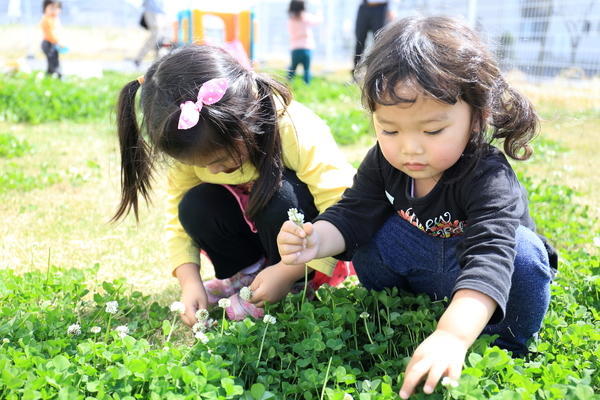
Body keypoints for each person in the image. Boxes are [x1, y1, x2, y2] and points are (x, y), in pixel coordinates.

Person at [278, 16, 557, 398]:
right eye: (389, 129)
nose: (409, 147)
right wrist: (316, 239)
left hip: (488, 277)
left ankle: (508, 345)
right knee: (371, 230)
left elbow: (491, 255)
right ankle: (401, 306)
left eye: (432, 130)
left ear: (477, 119)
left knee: (524, 254)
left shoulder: (487, 174)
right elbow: (353, 213)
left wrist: (452, 335)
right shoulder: (384, 162)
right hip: (424, 265)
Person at [113, 45, 356, 324]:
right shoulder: (189, 140)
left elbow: (340, 204)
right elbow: (177, 221)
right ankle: (246, 277)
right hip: (256, 236)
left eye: (219, 159)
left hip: (308, 247)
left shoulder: (292, 127)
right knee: (194, 205)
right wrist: (189, 282)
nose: (213, 170)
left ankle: (298, 285)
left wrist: (287, 272)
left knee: (281, 196)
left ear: (245, 120)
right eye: (202, 165)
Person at [352, 0, 395, 75]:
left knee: (379, 42)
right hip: (364, 7)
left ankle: (378, 72)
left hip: (380, 9)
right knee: (359, 40)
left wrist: (392, 9)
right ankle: (356, 73)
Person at [287, 0, 321, 84]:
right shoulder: (306, 17)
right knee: (307, 69)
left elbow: (290, 31)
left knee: (292, 68)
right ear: (303, 7)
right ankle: (306, 84)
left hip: (295, 48)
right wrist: (319, 11)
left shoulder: (291, 19)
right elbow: (318, 20)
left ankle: (287, 83)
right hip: (307, 48)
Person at [133, 0, 166, 68]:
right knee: (155, 36)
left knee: (160, 38)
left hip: (159, 12)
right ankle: (139, 58)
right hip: (151, 11)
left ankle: (157, 61)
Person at [40, 0, 64, 78]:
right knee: (53, 60)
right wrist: (57, 42)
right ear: (45, 9)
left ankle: (49, 75)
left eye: (56, 8)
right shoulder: (47, 19)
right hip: (48, 43)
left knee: (53, 59)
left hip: (53, 43)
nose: (54, 11)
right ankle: (59, 75)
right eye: (51, 8)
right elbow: (49, 33)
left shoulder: (54, 19)